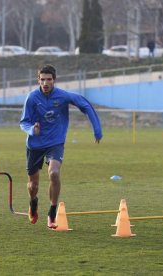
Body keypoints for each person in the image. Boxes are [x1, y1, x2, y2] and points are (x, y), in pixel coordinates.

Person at [20, 64, 103, 229]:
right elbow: (24, 122)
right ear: (38, 80)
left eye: (49, 80)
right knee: (33, 186)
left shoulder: (63, 96)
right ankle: (33, 202)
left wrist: (97, 129)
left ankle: (52, 213)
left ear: (54, 80)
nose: (45, 83)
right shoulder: (32, 98)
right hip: (35, 144)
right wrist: (32, 129)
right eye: (42, 79)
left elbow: (85, 105)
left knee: (54, 173)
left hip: (55, 142)